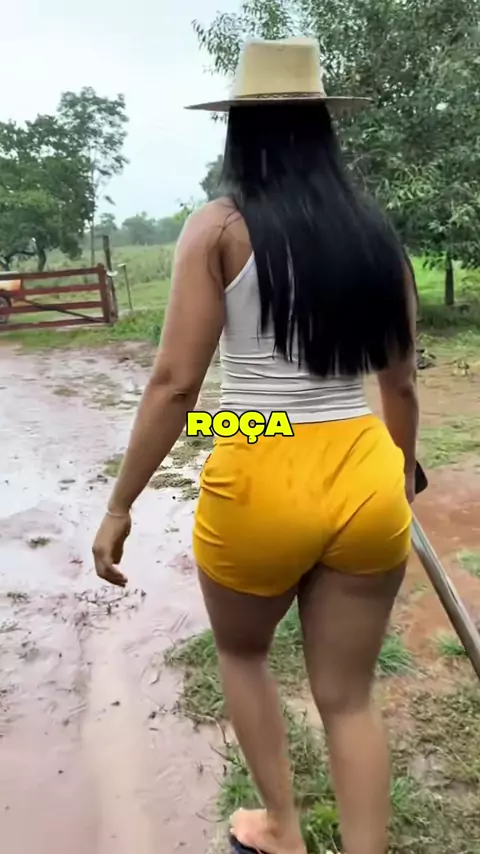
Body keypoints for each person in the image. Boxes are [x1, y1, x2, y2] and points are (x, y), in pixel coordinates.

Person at [93, 37, 419, 854]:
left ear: (238, 128)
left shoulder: (219, 228)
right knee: (349, 699)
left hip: (258, 458)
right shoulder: (376, 235)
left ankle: (280, 826)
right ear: (325, 127)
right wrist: (402, 473)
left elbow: (176, 385)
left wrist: (122, 502)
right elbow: (402, 387)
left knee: (243, 654)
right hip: (362, 464)